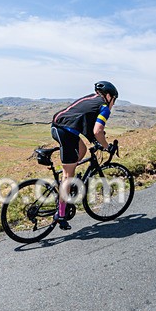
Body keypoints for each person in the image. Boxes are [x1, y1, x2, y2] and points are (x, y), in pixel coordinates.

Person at [50, 81, 119, 230]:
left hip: (63, 128)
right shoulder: (104, 107)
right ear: (108, 96)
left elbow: (86, 122)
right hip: (64, 131)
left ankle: (66, 183)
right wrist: (106, 147)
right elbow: (97, 131)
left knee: (82, 152)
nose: (114, 103)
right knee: (68, 175)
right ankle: (60, 214)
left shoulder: (91, 99)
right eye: (114, 99)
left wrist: (96, 141)